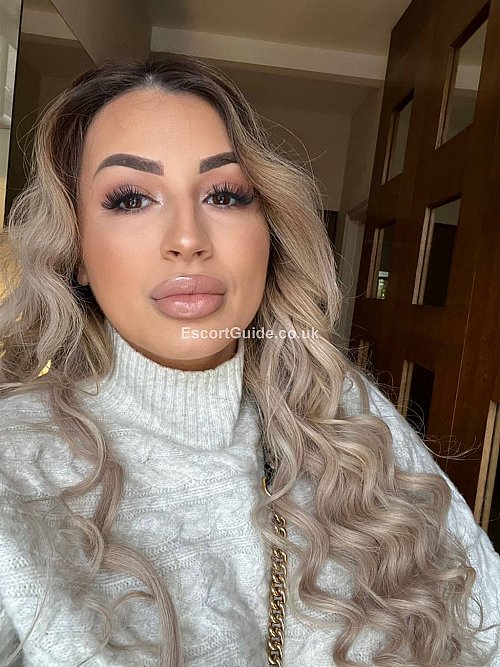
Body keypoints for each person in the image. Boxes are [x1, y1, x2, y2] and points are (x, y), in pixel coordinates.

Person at [0, 54, 498, 667]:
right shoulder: (15, 460)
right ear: (76, 249)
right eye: (130, 199)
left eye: (224, 194)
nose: (187, 238)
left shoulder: (342, 408)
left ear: (270, 229)